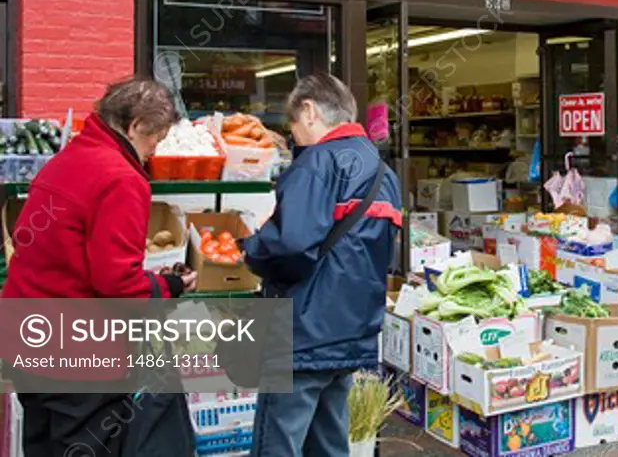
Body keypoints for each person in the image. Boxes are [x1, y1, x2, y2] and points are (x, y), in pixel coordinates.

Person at [1, 77, 198, 456]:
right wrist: (166, 288)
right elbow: (117, 284)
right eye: (155, 139)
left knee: (44, 443)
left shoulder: (66, 161)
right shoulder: (121, 178)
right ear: (136, 127)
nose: (153, 151)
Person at [245, 74, 401, 457]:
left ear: (310, 111)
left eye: (294, 125)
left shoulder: (318, 162)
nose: (294, 136)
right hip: (351, 333)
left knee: (277, 443)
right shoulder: (385, 173)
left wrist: (250, 249)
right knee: (329, 443)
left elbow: (290, 245)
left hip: (303, 334)